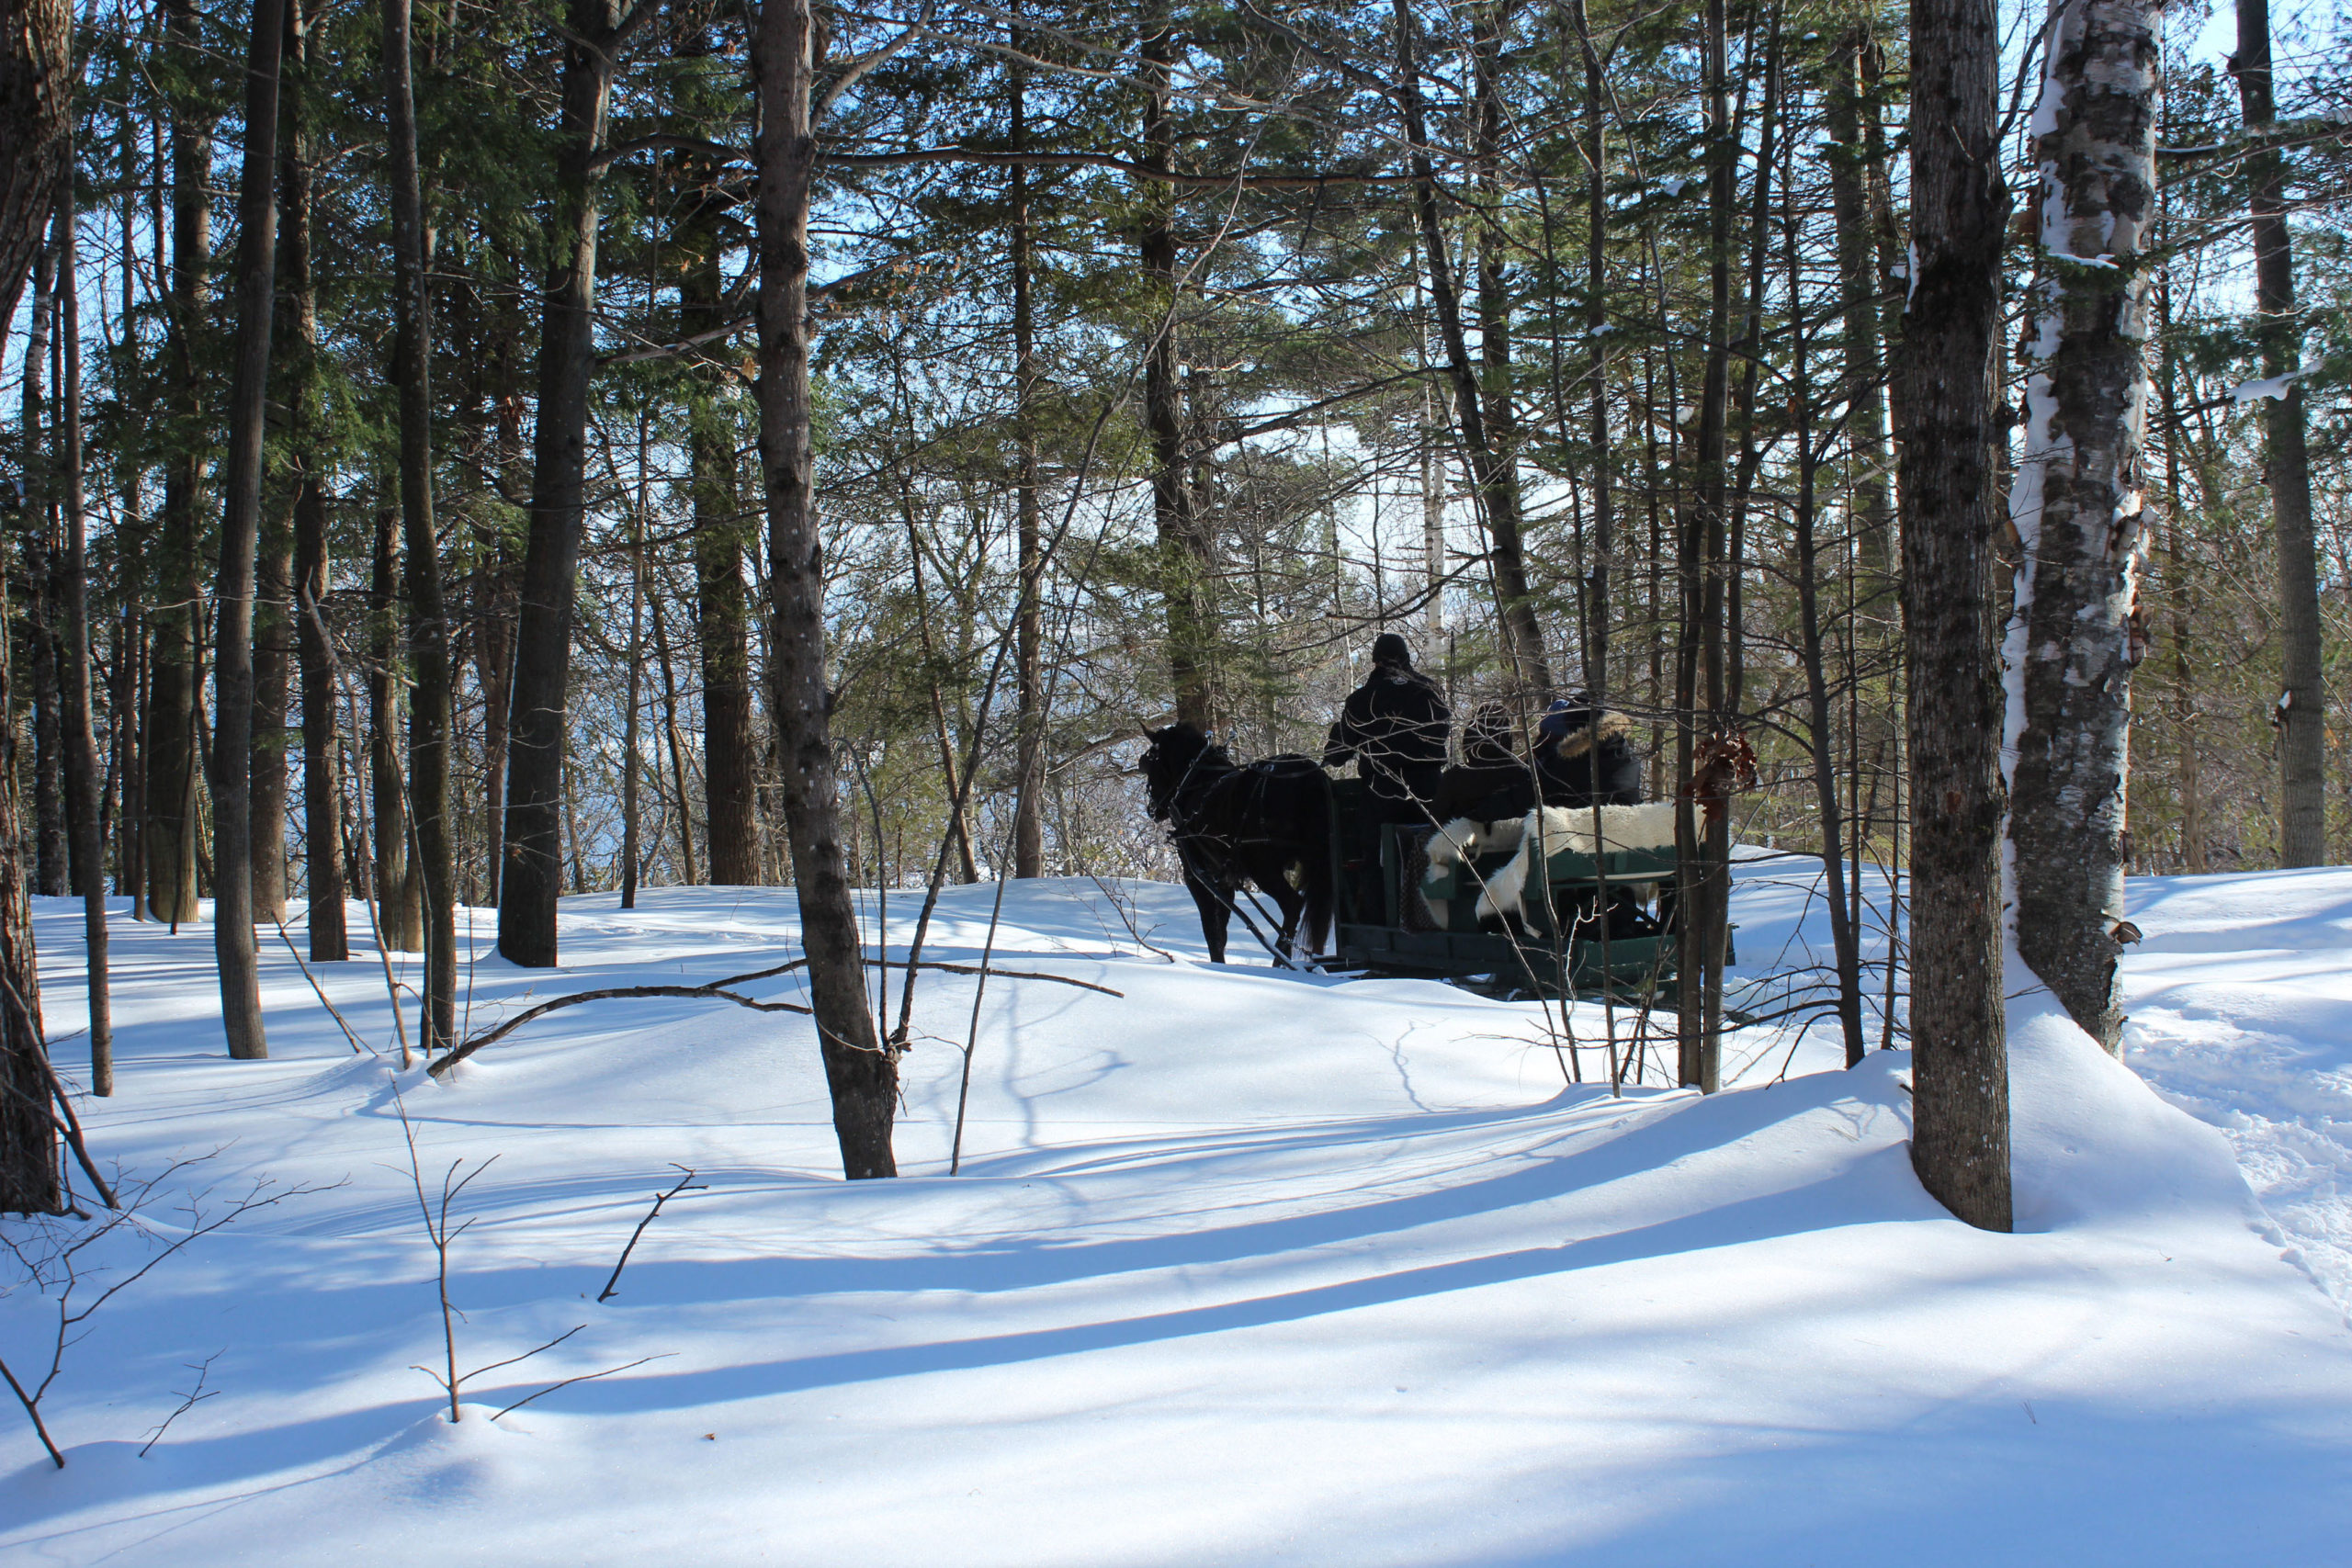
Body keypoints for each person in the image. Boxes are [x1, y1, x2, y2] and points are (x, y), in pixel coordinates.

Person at [1323, 633, 1450, 820]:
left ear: (1376, 661)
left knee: (1374, 837)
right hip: (1429, 788)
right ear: (1406, 657)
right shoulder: (1431, 691)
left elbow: (1343, 746)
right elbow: (1442, 731)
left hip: (1382, 790)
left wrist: (1332, 756)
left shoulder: (1362, 699)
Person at [1533, 695, 1644, 807]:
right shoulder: (1627, 755)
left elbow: (1526, 802)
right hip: (1628, 823)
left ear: (1569, 735)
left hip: (1583, 823)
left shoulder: (1563, 766)